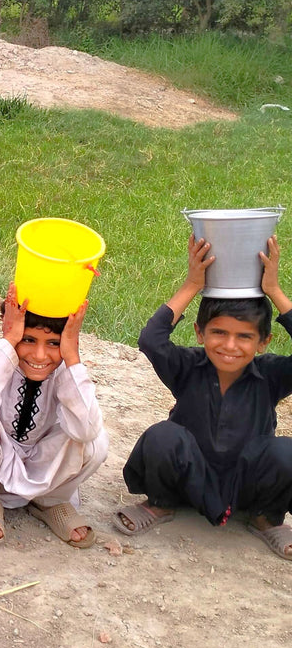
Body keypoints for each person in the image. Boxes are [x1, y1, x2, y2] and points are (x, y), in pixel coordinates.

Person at [114, 235, 292, 560]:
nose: (229, 346)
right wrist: (193, 284)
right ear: (200, 333)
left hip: (247, 483)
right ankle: (160, 504)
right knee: (163, 436)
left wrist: (275, 291)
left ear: (263, 342)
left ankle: (266, 519)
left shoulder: (272, 374)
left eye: (244, 337)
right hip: (187, 476)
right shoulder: (187, 366)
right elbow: (151, 340)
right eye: (219, 333)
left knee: (286, 450)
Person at [0, 283, 108, 547]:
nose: (40, 355)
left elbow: (86, 430)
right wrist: (9, 340)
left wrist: (71, 356)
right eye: (28, 339)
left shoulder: (65, 370)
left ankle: (51, 501)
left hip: (42, 465)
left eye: (54, 343)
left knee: (94, 439)